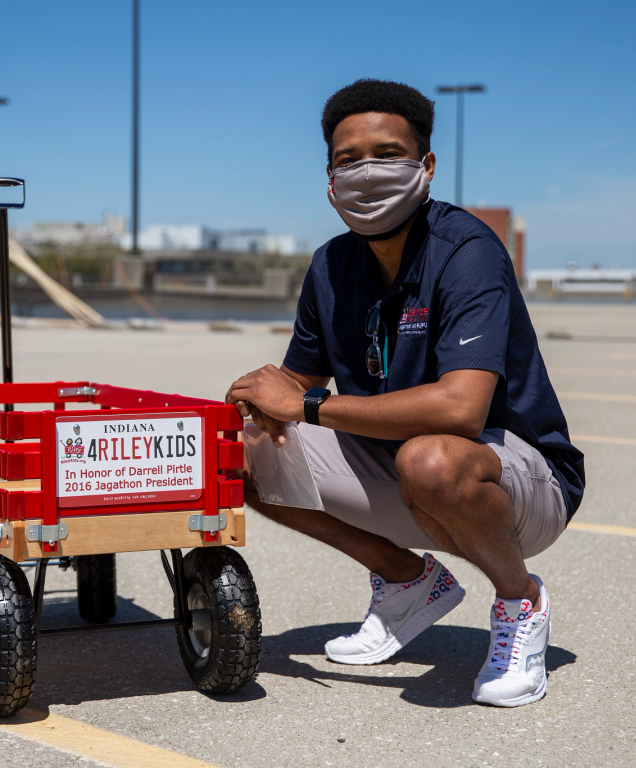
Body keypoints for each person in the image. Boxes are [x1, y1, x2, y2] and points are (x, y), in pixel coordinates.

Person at [226, 79, 585, 708]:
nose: (367, 174)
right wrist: (254, 402)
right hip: (395, 463)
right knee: (242, 454)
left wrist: (306, 406)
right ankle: (407, 582)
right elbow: (298, 382)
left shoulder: (466, 251)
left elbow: (460, 409)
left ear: (426, 165)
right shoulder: (330, 265)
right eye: (347, 160)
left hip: (515, 478)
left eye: (388, 154)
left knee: (432, 456)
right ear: (329, 176)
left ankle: (520, 599)